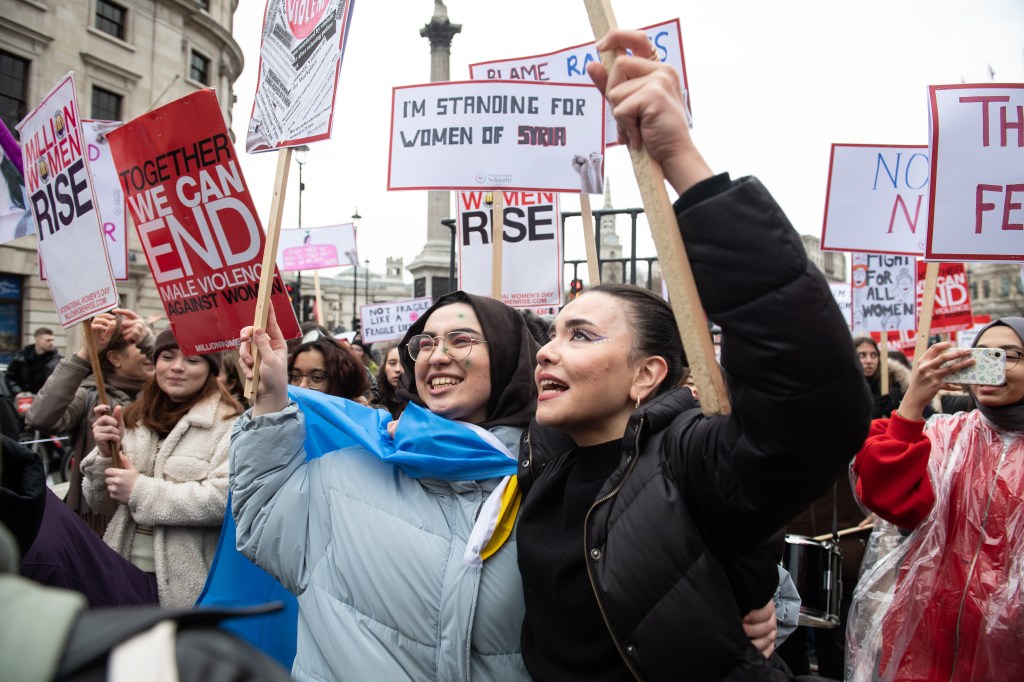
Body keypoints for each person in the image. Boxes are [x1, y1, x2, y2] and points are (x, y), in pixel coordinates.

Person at [515, 29, 871, 680]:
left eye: (582, 336)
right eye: (551, 333)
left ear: (649, 374)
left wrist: (680, 159)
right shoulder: (541, 457)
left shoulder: (693, 468)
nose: (546, 353)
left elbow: (813, 404)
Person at [231, 293, 539, 679]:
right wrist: (268, 400)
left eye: (460, 340)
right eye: (425, 344)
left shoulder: (552, 484)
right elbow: (265, 522)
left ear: (511, 358)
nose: (437, 355)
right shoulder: (346, 474)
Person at [848, 318, 1024, 682]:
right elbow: (886, 497)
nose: (995, 365)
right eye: (985, 354)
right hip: (923, 650)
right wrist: (912, 402)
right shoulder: (945, 435)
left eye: (1011, 355)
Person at [80, 329, 242, 607]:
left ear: (210, 369)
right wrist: (107, 455)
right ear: (155, 363)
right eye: (167, 357)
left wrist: (140, 491)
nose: (177, 367)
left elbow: (224, 500)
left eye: (193, 360)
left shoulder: (231, 424)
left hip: (188, 587)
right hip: (119, 573)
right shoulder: (132, 418)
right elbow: (101, 504)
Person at [26, 310, 154, 534]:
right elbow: (40, 418)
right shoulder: (90, 394)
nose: (147, 354)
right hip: (96, 521)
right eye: (137, 345)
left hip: (147, 518)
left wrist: (150, 343)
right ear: (115, 358)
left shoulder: (163, 396)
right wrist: (85, 353)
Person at [854, 336, 939, 420]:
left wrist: (897, 410)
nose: (869, 361)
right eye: (862, 355)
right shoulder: (845, 388)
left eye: (873, 355)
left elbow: (924, 416)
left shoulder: (896, 383)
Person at [288, 331, 370, 402]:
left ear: (343, 382)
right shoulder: (282, 416)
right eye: (296, 376)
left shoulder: (370, 419)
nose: (301, 386)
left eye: (316, 378)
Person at [5, 327, 61, 395]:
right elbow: (10, 376)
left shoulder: (56, 359)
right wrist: (18, 392)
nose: (52, 343)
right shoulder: (21, 357)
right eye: (48, 340)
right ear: (37, 340)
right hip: (25, 399)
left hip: (46, 399)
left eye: (52, 340)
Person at [374, 342, 406, 419]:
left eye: (404, 363)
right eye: (392, 363)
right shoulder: (375, 399)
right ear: (384, 368)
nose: (398, 369)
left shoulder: (420, 400)